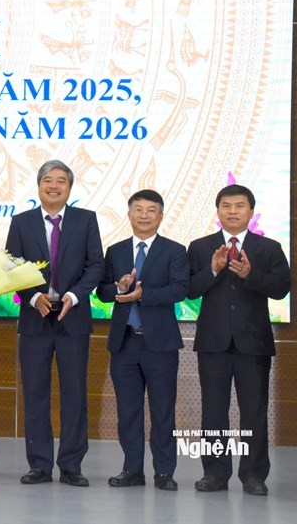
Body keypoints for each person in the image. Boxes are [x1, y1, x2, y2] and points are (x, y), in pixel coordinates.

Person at [5, 159, 104, 487]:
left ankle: (72, 465)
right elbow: (12, 267)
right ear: (38, 185)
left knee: (74, 393)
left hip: (73, 318)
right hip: (36, 318)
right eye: (48, 180)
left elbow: (96, 265)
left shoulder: (86, 220)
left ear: (70, 187)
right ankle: (39, 465)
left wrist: (74, 296)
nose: (54, 185)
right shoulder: (21, 222)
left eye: (61, 180)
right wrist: (34, 297)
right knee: (35, 392)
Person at [187, 184, 290, 496]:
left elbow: (281, 289)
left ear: (251, 211)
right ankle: (215, 473)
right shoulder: (200, 247)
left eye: (240, 206)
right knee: (213, 410)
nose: (233, 211)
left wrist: (250, 275)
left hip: (253, 343)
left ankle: (253, 475)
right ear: (218, 211)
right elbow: (189, 290)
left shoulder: (269, 248)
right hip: (213, 342)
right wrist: (212, 269)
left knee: (254, 411)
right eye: (227, 206)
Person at [96, 189, 188, 491]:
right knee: (128, 411)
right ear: (129, 214)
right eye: (138, 209)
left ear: (160, 216)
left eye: (151, 210)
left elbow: (179, 290)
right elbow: (102, 292)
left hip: (160, 343)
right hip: (124, 343)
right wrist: (118, 288)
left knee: (163, 411)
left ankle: (164, 472)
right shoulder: (116, 250)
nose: (144, 215)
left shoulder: (175, 250)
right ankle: (132, 469)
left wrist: (143, 294)